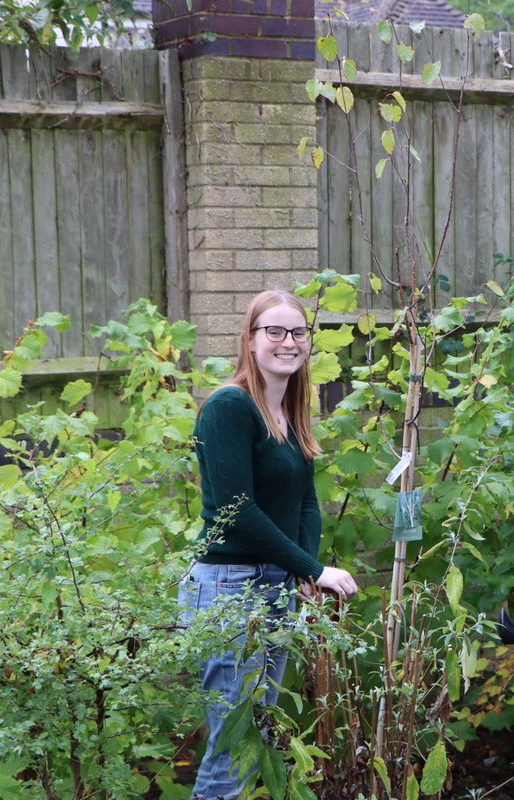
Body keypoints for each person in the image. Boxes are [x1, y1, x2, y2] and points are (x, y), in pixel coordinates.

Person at [179, 289, 357, 800]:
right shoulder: (229, 408)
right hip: (229, 591)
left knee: (254, 738)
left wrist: (303, 573)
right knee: (233, 748)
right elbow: (236, 512)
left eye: (298, 332)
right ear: (250, 340)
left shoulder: (291, 412)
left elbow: (306, 504)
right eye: (274, 331)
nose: (288, 342)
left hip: (273, 586)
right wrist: (316, 570)